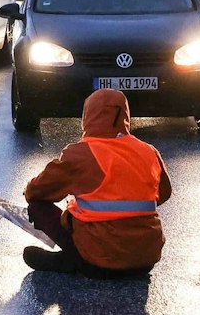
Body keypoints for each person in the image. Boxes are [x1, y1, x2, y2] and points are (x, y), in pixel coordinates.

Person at [21, 88, 171, 278]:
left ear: (88, 116)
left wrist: (30, 190)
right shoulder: (149, 151)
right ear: (125, 115)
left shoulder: (80, 153)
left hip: (98, 261)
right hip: (145, 259)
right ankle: (76, 259)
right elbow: (163, 194)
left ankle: (71, 260)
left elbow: (37, 190)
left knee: (37, 206)